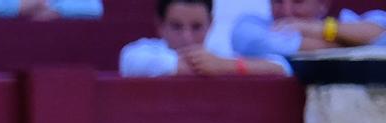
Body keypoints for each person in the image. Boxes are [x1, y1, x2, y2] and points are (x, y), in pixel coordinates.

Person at [121, 0, 290, 73]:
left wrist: (227, 66)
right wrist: (199, 66)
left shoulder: (219, 58)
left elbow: (282, 67)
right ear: (160, 26)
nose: (187, 37)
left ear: (210, 25)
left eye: (196, 27)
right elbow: (129, 60)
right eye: (176, 27)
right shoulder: (143, 52)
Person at [233, 0, 386, 62]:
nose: (286, 11)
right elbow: (257, 41)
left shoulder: (359, 21)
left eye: (298, 1)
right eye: (278, 1)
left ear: (323, 5)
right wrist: (353, 44)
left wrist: (319, 28)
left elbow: (381, 37)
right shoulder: (251, 25)